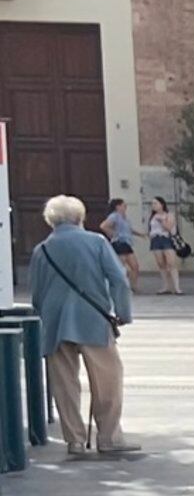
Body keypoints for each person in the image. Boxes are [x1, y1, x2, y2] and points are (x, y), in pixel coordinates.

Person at [29, 195, 138, 458]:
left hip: (55, 323)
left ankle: (74, 441)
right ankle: (108, 437)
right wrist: (122, 312)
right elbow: (119, 280)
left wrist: (47, 315)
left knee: (64, 384)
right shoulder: (96, 242)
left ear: (50, 221)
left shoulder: (41, 250)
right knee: (107, 379)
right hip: (92, 319)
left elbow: (36, 293)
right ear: (80, 217)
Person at [99, 197, 141, 294]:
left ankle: (133, 286)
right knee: (121, 267)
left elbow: (129, 229)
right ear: (118, 206)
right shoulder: (114, 216)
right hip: (119, 243)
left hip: (126, 243)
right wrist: (113, 234)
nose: (125, 206)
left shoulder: (124, 217)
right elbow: (103, 226)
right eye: (123, 205)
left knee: (135, 266)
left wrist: (140, 234)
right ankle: (121, 287)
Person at [147, 197, 183, 295]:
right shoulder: (152, 217)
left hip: (166, 239)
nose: (153, 205)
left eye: (155, 203)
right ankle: (166, 286)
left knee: (171, 263)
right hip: (156, 240)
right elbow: (150, 229)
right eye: (152, 204)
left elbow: (168, 227)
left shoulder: (169, 215)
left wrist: (162, 220)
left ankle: (177, 287)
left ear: (162, 204)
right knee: (161, 264)